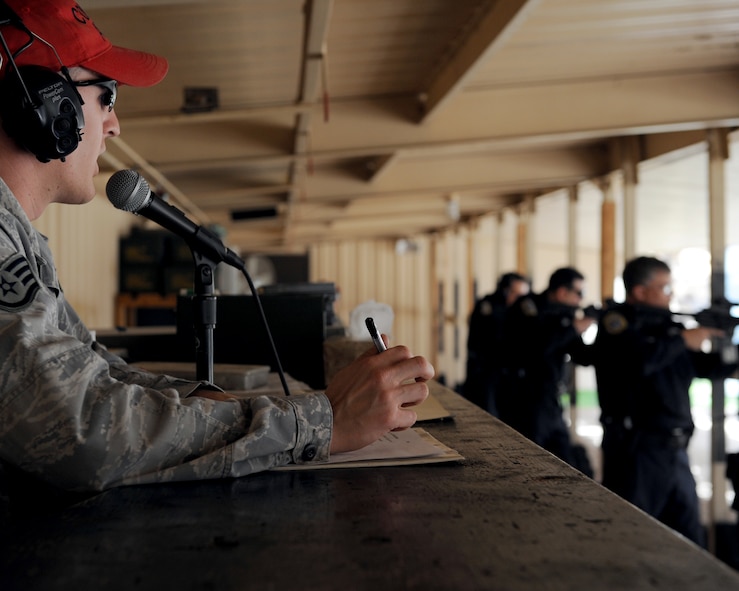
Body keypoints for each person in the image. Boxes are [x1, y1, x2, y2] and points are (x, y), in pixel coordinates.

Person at [0, 0, 433, 497]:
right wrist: (322, 420)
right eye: (107, 95)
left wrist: (224, 409)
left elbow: (98, 374)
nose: (115, 125)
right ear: (43, 104)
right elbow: (80, 431)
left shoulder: (19, 239)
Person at [591, 256, 737, 546]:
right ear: (640, 291)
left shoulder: (667, 328)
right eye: (665, 288)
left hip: (676, 449)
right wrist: (683, 339)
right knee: (631, 538)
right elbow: (639, 362)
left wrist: (729, 353)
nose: (671, 295)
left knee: (689, 541)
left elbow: (702, 366)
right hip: (637, 448)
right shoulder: (616, 323)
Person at [497, 267, 595, 468]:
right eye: (579, 293)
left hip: (552, 400)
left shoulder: (563, 315)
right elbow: (538, 346)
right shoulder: (528, 306)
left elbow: (584, 356)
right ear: (562, 292)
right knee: (529, 461)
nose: (580, 300)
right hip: (525, 399)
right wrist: (575, 326)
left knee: (564, 462)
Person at [462, 271, 530, 415]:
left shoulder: (518, 311)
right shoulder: (489, 307)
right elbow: (486, 342)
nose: (521, 300)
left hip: (510, 375)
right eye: (517, 295)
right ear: (505, 291)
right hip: (486, 372)